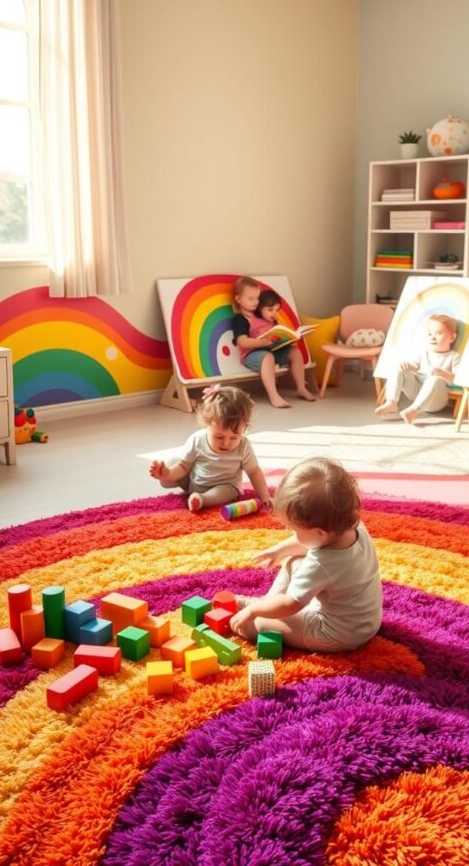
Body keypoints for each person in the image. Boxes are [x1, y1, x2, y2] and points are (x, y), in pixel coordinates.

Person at [229, 457, 382, 653]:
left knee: (263, 622)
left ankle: (256, 613)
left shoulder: (322, 564)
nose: (291, 533)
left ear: (320, 532)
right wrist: (280, 550)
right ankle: (265, 602)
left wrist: (253, 611)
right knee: (293, 562)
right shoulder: (351, 525)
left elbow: (290, 604)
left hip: (335, 634)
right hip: (364, 621)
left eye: (294, 529)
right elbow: (309, 543)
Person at [149, 384, 272, 513]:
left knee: (228, 492)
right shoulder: (197, 439)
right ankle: (166, 476)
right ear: (206, 423)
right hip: (193, 482)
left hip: (224, 486)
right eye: (219, 437)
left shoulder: (243, 446)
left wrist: (265, 496)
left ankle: (202, 499)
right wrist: (167, 473)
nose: (226, 443)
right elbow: (183, 467)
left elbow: (254, 472)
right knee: (172, 466)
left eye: (234, 437)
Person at [231, 276, 315, 409]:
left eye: (257, 298)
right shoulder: (240, 319)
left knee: (295, 351)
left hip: (271, 350)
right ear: (238, 299)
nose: (255, 302)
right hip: (252, 355)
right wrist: (263, 342)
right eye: (251, 299)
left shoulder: (263, 314)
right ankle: (274, 395)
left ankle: (301, 387)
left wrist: (288, 337)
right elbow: (243, 342)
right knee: (267, 357)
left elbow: (276, 332)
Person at [375, 313, 460, 424]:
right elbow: (414, 365)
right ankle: (392, 402)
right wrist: (407, 366)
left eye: (439, 333)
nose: (433, 337)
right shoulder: (424, 353)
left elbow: (458, 378)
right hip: (417, 392)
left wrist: (444, 374)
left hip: (436, 398)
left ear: (452, 337)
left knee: (434, 379)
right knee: (398, 368)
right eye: (429, 334)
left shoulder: (454, 356)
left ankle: (414, 410)